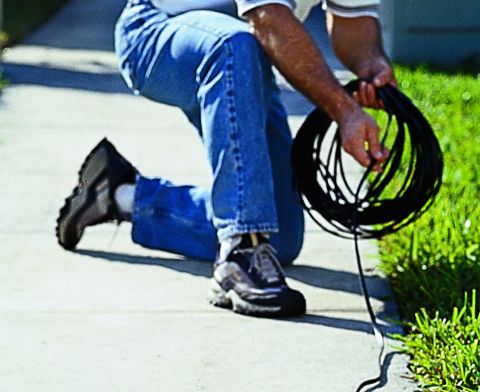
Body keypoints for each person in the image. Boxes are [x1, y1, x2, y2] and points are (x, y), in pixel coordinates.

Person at [56, 0, 395, 317]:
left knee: (280, 235)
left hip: (244, 61)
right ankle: (239, 255)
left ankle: (119, 194)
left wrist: (371, 63)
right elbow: (268, 19)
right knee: (234, 46)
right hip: (156, 31)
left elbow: (355, 21)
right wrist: (345, 111)